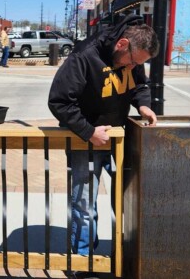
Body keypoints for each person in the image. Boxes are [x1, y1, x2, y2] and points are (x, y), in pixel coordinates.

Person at [48, 15, 159, 279]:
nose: (134, 67)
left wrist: (143, 103)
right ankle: (84, 262)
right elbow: (60, 102)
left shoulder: (133, 55)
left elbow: (139, 85)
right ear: (122, 44)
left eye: (139, 64)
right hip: (87, 141)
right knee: (84, 205)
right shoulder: (84, 56)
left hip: (121, 140)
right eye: (133, 62)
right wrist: (88, 132)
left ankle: (126, 254)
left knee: (128, 200)